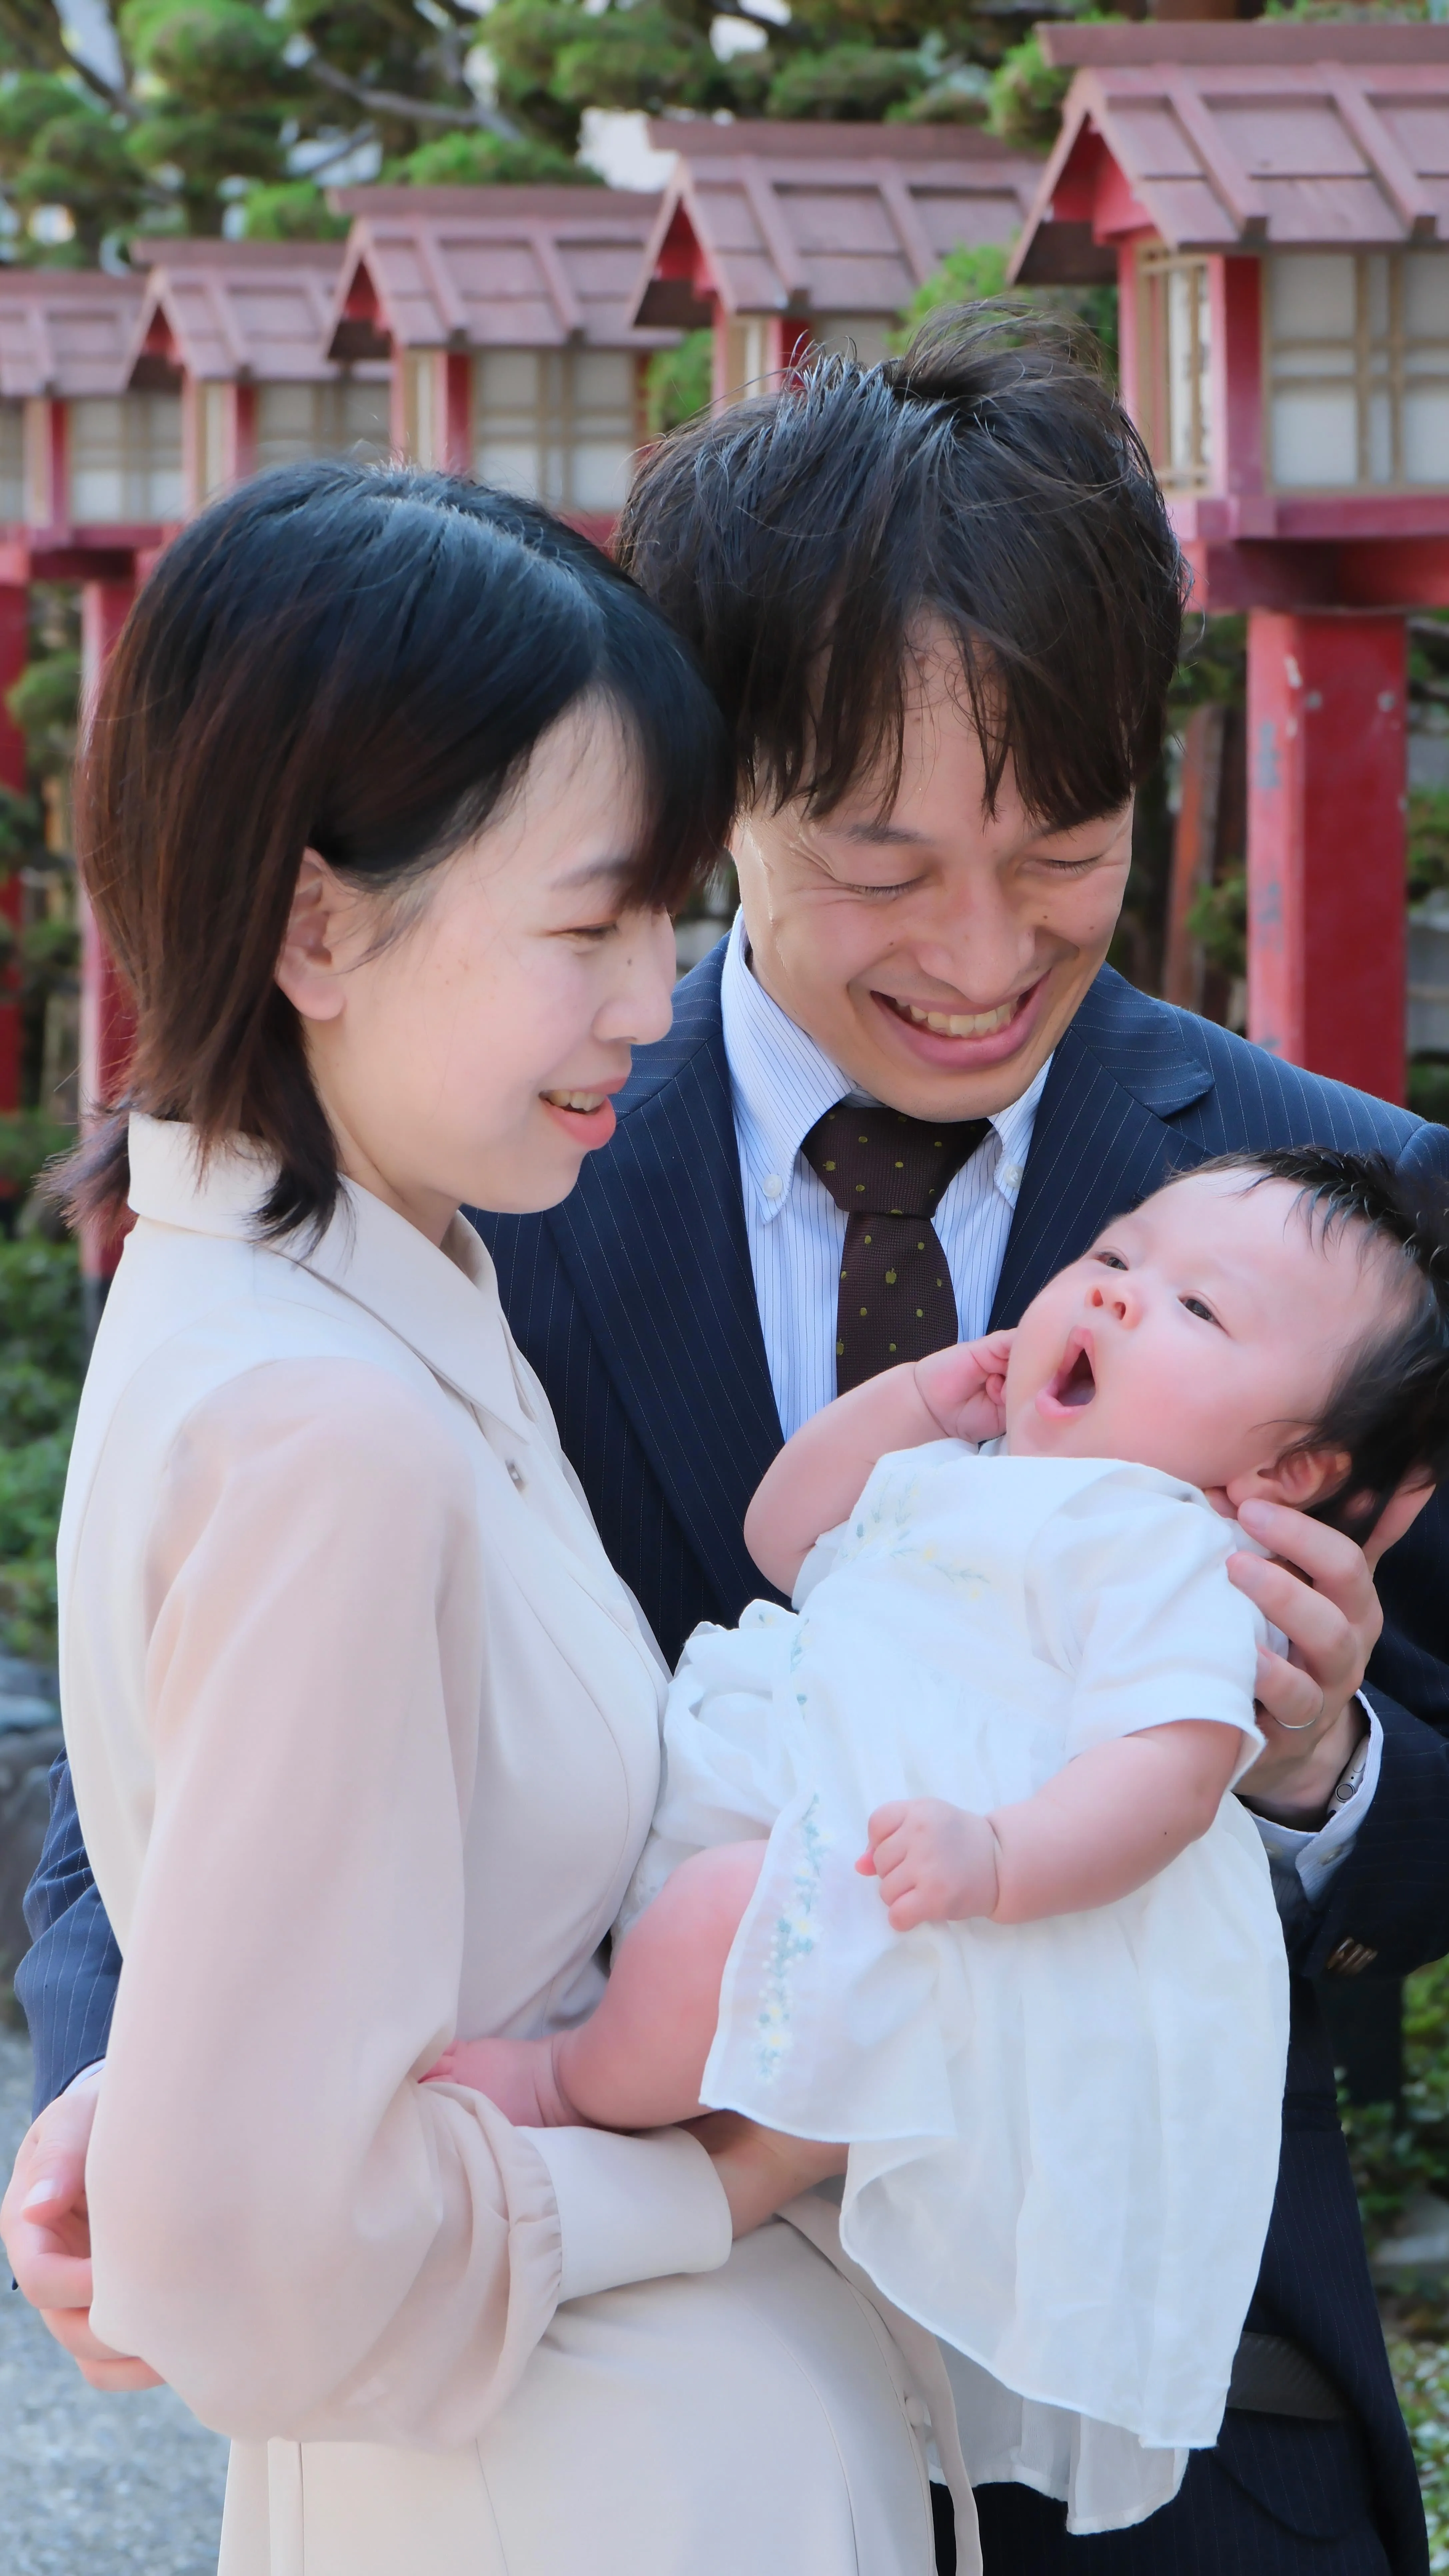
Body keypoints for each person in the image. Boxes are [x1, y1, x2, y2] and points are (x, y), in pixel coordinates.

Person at [9, 311, 1449, 2573]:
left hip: (1161, 2442)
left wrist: (1308, 1772)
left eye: (1058, 853)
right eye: (880, 866)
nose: (980, 955)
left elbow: (1429, 1827)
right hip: (634, 2423)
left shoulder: (1349, 1218)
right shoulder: (484, 1174)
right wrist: (133, 2088)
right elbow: (203, 1764)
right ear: (712, 792)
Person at [2, 461, 959, 2576]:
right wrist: (703, 2180)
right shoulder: (335, 1419)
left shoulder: (344, 1288)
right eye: (585, 924)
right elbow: (255, 2267)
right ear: (315, 927)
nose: (651, 999)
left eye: (668, 920)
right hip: (568, 2485)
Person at [434, 1150, 1449, 2544]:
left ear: (1285, 1469)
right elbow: (786, 1534)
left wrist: (999, 1859)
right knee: (728, 1940)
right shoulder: (964, 1470)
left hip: (943, 1917)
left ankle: (571, 2091)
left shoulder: (1173, 1557)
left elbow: (1162, 1775)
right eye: (1113, 1256)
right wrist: (917, 1401)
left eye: (1198, 1312)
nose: (1121, 1297)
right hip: (791, 1835)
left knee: (738, 1932)